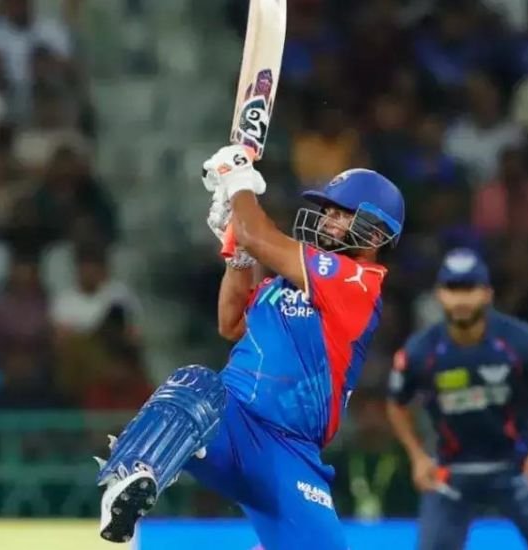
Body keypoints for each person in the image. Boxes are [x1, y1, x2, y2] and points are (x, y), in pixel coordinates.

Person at [94, 145, 405, 549]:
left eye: (342, 213)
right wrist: (238, 253)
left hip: (291, 453)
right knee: (196, 383)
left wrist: (238, 183)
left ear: (376, 232)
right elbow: (231, 323)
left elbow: (260, 235)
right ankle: (131, 479)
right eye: (328, 210)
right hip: (233, 423)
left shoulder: (357, 282)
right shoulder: (283, 284)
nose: (328, 219)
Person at [386, 249, 528, 550]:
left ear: (487, 294)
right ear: (439, 295)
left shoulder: (519, 340)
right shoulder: (421, 351)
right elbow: (396, 402)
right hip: (451, 472)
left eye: (470, 289)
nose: (461, 300)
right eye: (452, 289)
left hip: (519, 466)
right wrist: (418, 457)